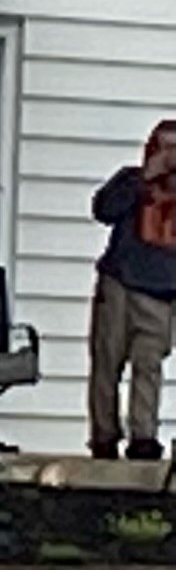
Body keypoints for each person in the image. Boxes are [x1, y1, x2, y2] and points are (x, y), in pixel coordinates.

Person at [88, 119, 176, 462]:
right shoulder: (130, 180)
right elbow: (104, 210)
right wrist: (145, 177)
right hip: (119, 284)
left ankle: (144, 438)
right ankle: (103, 436)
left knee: (148, 364)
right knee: (107, 363)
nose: (169, 156)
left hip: (162, 292)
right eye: (162, 147)